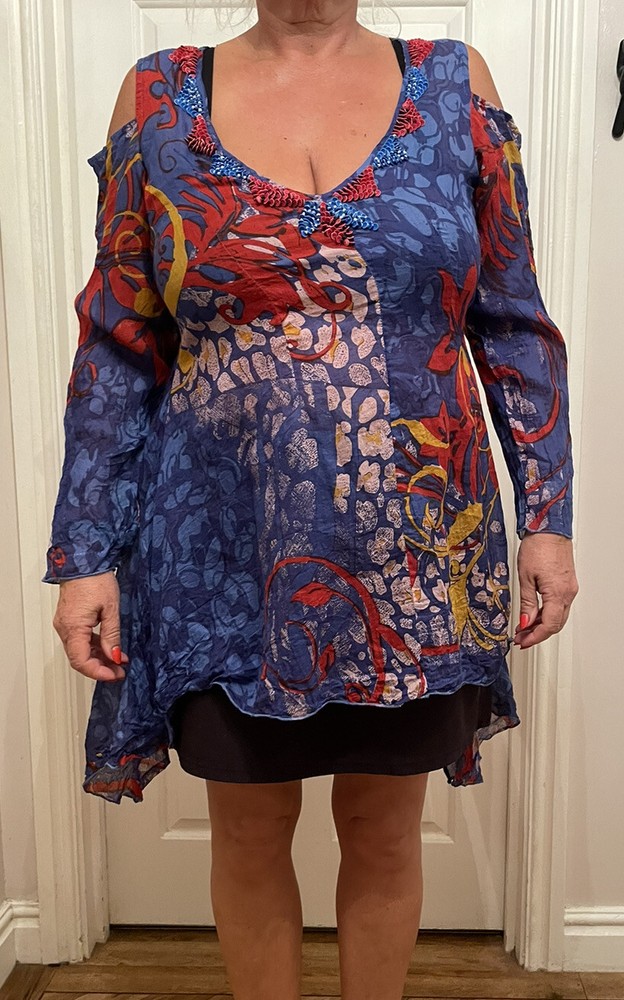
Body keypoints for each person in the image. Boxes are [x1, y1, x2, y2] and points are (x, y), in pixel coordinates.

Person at [42, 2, 579, 998]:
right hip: (221, 550)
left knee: (384, 828)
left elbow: (512, 322)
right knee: (248, 828)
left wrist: (549, 516)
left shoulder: (454, 87)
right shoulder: (158, 97)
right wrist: (85, 553)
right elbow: (117, 345)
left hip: (417, 548)